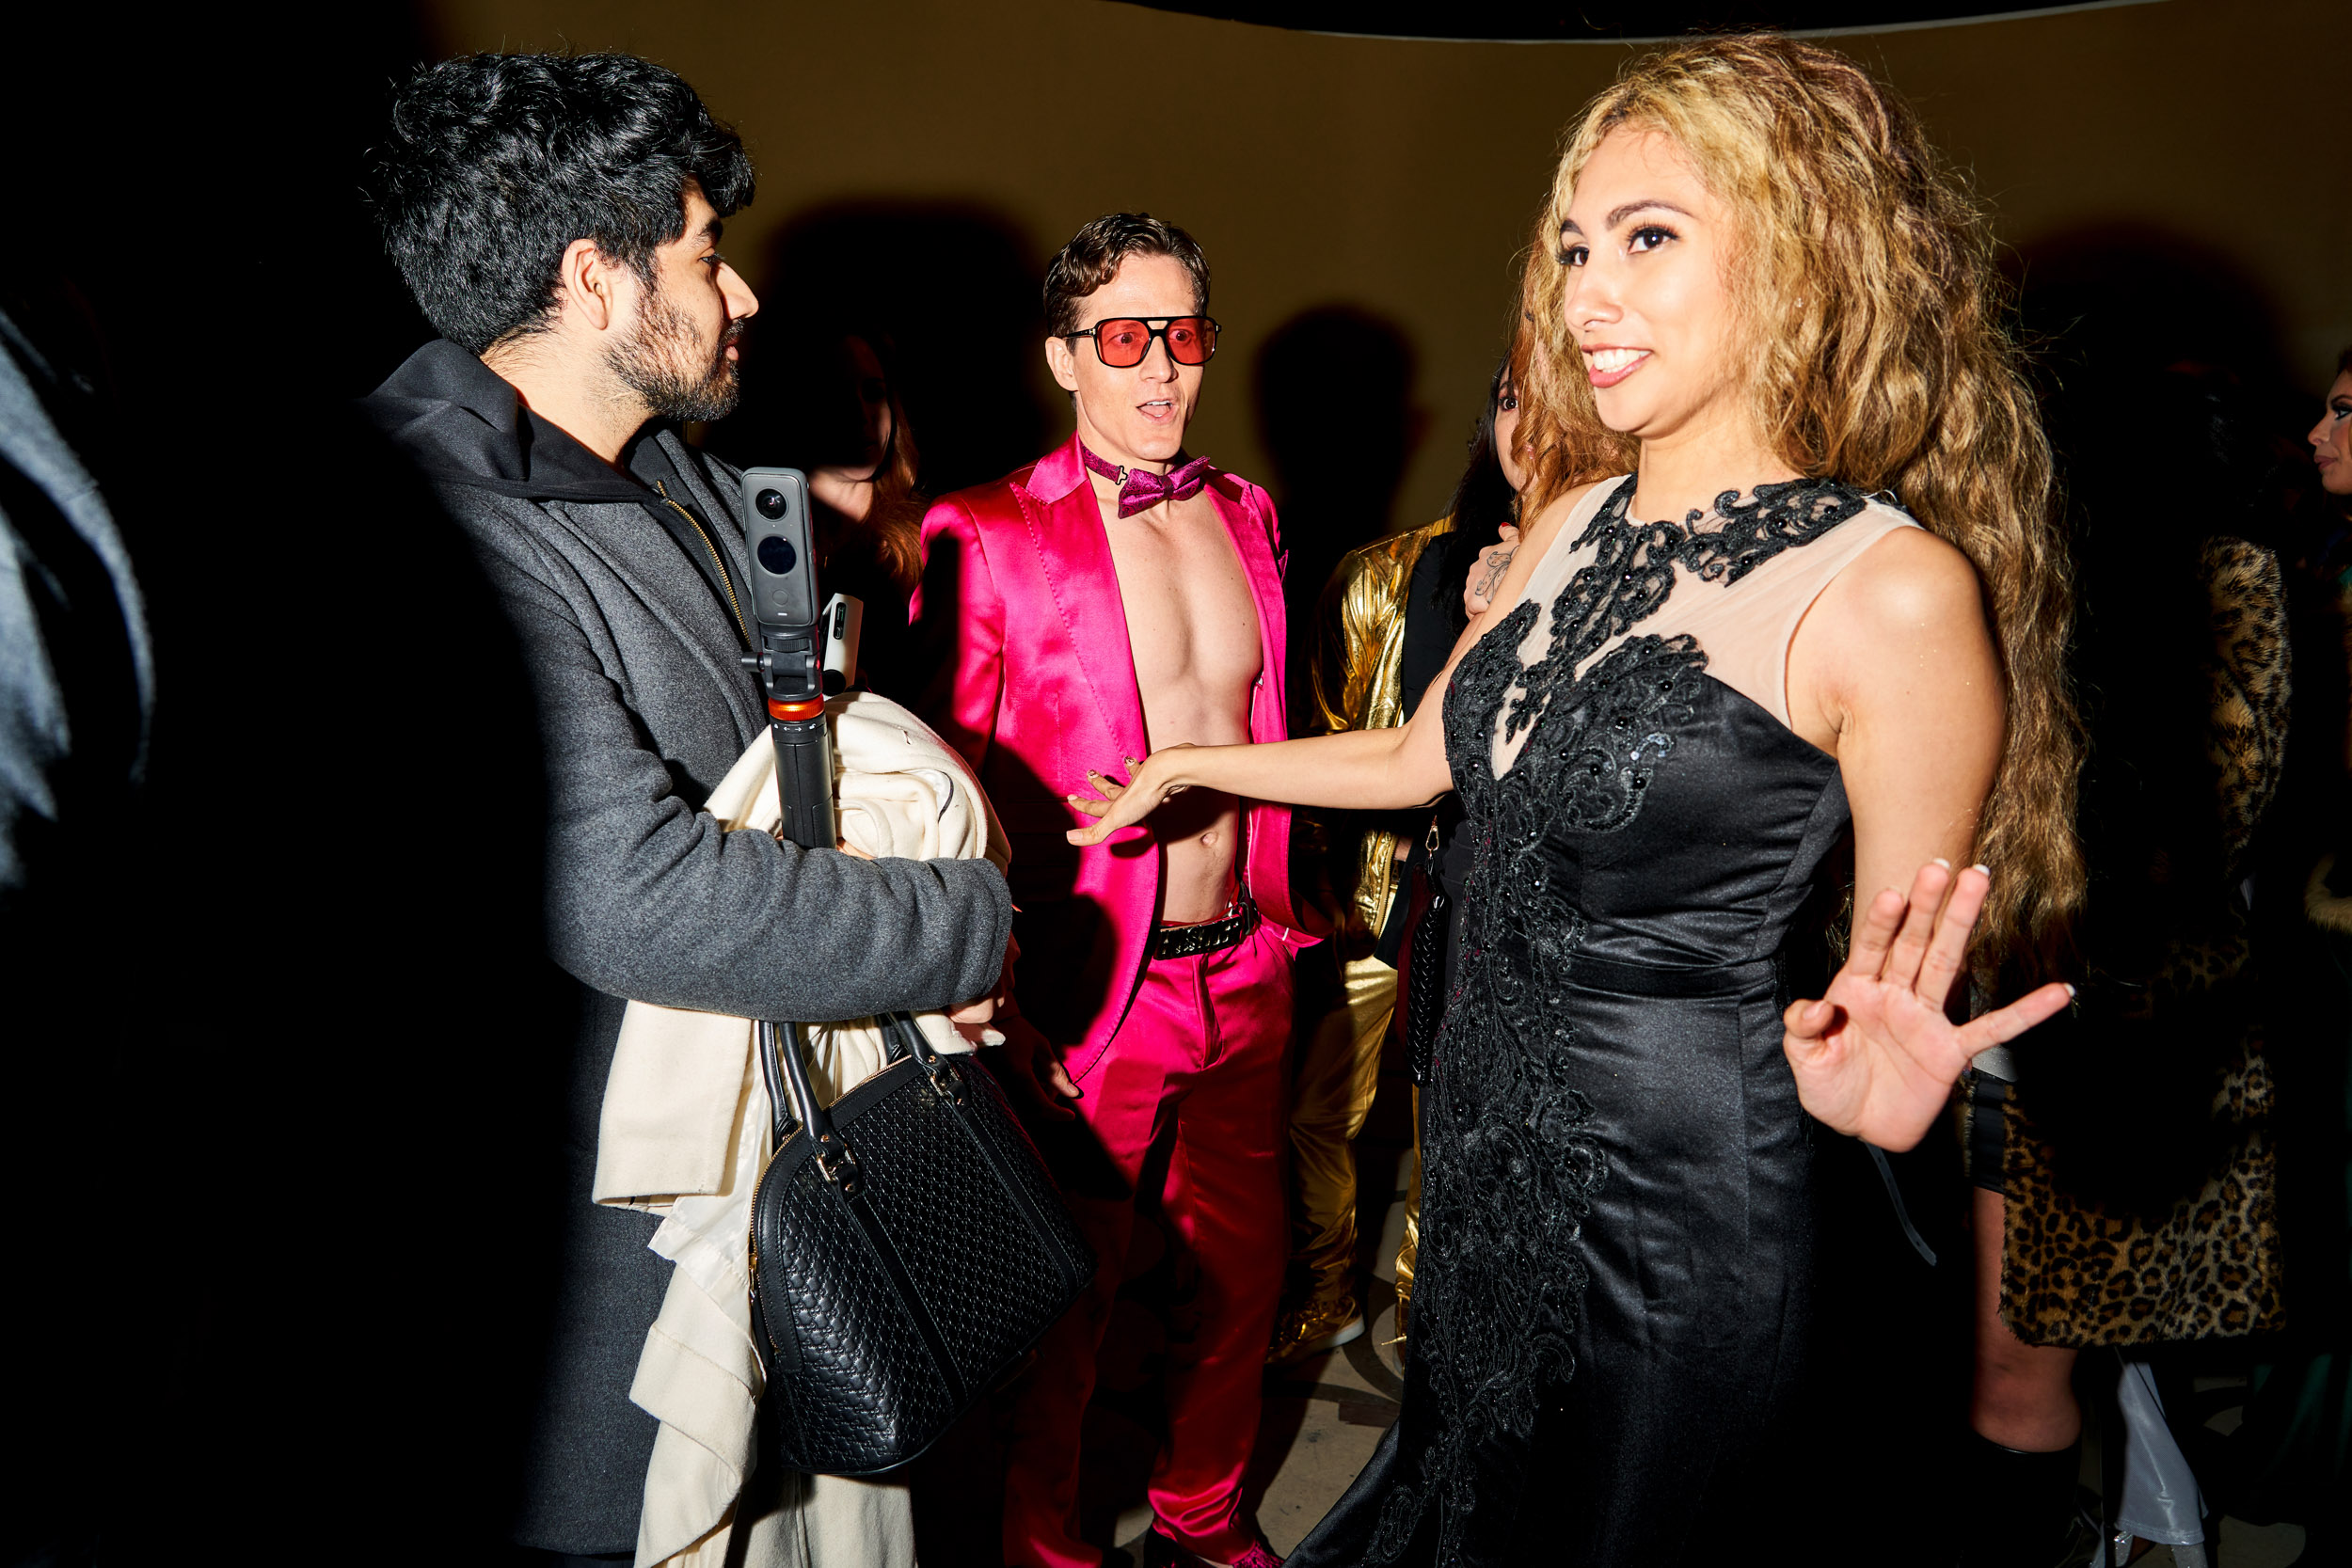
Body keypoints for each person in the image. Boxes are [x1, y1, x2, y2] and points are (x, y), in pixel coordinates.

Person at [1067, 37, 2078, 1564]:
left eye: (1651, 239)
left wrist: (1879, 1108)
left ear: (1805, 245)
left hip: (1700, 1226)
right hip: (1486, 1183)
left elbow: (1899, 984)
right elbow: (1423, 758)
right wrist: (1198, 762)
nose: (1588, 294)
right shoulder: (1573, 521)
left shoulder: (1886, 592)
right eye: (1574, 245)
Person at [360, 53, 1015, 1564]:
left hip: (761, 1171)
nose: (743, 294)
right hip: (573, 1271)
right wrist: (960, 927)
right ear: (596, 278)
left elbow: (795, 769)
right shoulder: (443, 528)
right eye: (705, 253)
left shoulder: (668, 471)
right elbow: (634, 889)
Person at [911, 212, 1311, 1568]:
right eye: (1123, 338)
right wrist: (993, 990)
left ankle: (1202, 1505)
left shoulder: (1249, 511)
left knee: (1246, 1281)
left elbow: (1271, 732)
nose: (1158, 369)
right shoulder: (986, 528)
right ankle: (1048, 1547)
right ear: (1063, 356)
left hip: (1247, 959)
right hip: (1094, 992)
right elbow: (934, 795)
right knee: (1064, 1301)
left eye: (1181, 334)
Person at [1978, 365, 2294, 1566]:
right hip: (1993, 1004)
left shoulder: (2219, 570)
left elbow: (2221, 806)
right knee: (1991, 1356)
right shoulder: (2016, 569)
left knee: (2020, 1370)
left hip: (2103, 1021)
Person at [1272, 345, 1529, 1361]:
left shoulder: (1608, 584)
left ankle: (1431, 1312)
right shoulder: (1382, 575)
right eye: (1510, 396)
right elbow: (1335, 735)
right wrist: (1317, 887)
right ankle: (1326, 1279)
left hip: (1495, 914)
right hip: (1375, 898)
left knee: (1456, 1138)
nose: (1530, 422)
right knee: (1314, 1112)